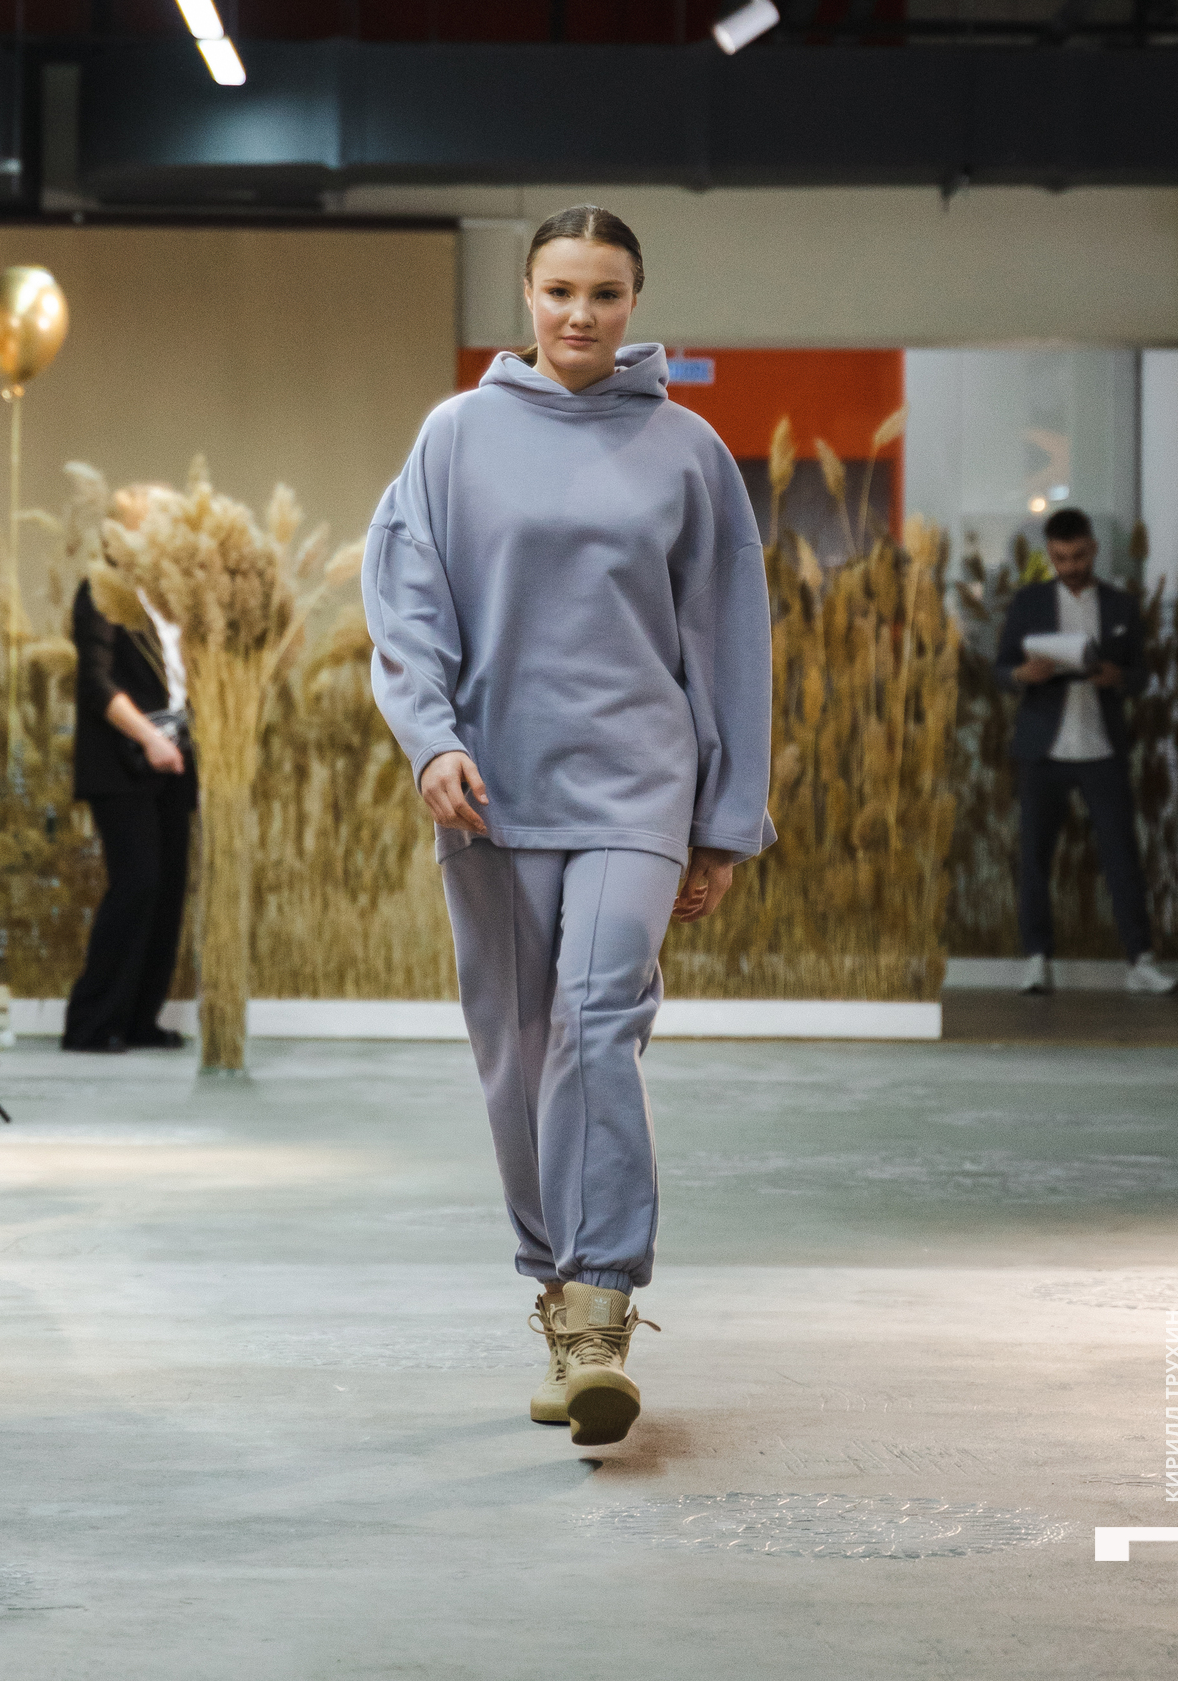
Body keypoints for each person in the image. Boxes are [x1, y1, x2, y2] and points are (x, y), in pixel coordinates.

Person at [363, 205, 775, 1446]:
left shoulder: (686, 450)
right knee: (517, 1045)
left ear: (633, 302)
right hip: (491, 789)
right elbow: (406, 602)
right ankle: (555, 1294)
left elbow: (729, 641)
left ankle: (599, 1310)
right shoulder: (455, 436)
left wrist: (723, 820)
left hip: (637, 785)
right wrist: (430, 739)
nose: (579, 314)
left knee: (597, 1017)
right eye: (558, 291)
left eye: (603, 293)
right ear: (526, 296)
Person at [995, 505, 1176, 996]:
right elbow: (1001, 668)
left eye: (1077, 556)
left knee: (1122, 856)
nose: (1070, 566)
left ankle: (1140, 961)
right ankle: (1037, 960)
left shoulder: (1120, 605)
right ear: (1049, 555)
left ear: (1093, 549)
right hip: (1043, 749)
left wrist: (1119, 677)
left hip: (1102, 748)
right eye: (1060, 558)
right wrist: (1023, 674)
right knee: (1034, 858)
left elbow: (1142, 675)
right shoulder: (1029, 602)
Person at [62, 486, 197, 1054]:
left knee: (167, 890)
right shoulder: (101, 589)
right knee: (137, 883)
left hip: (175, 758)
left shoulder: (169, 596)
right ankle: (92, 1023)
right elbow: (95, 683)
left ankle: (141, 1018)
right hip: (123, 762)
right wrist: (149, 738)